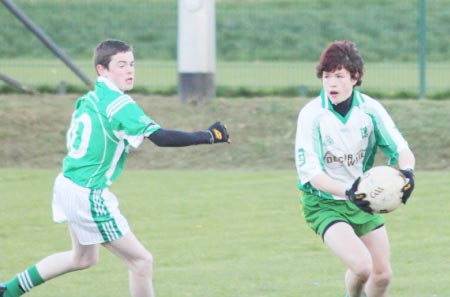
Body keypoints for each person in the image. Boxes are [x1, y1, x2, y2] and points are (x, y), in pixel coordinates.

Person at [0, 39, 230, 297]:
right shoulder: (119, 104)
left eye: (131, 64)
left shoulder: (90, 98)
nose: (129, 70)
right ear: (102, 70)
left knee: (82, 259)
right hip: (87, 193)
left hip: (67, 184)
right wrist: (208, 136)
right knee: (141, 261)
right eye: (121, 65)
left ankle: (8, 290)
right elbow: (161, 138)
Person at [294, 40, 415, 297]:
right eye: (327, 76)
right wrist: (349, 192)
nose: (331, 83)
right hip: (323, 203)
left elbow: (400, 148)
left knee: (382, 276)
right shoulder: (312, 115)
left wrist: (408, 173)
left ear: (355, 77)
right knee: (362, 267)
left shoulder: (369, 110)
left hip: (361, 200)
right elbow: (313, 175)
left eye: (339, 76)